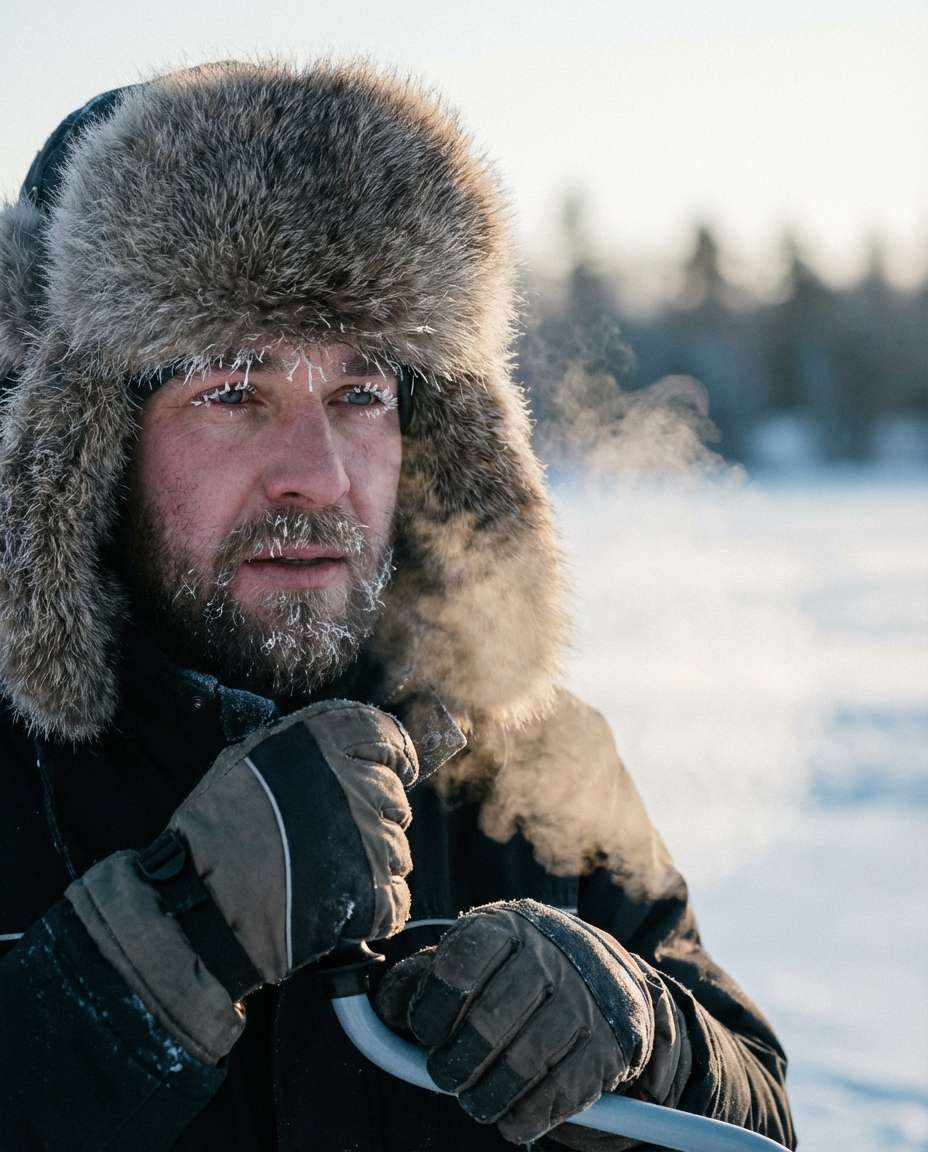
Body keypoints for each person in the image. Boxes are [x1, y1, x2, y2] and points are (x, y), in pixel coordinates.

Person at [0, 61, 795, 1151]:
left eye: (360, 391)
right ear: (84, 448)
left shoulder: (535, 764)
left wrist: (645, 1035)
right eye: (233, 389)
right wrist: (164, 946)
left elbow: (763, 1113)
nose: (317, 474)